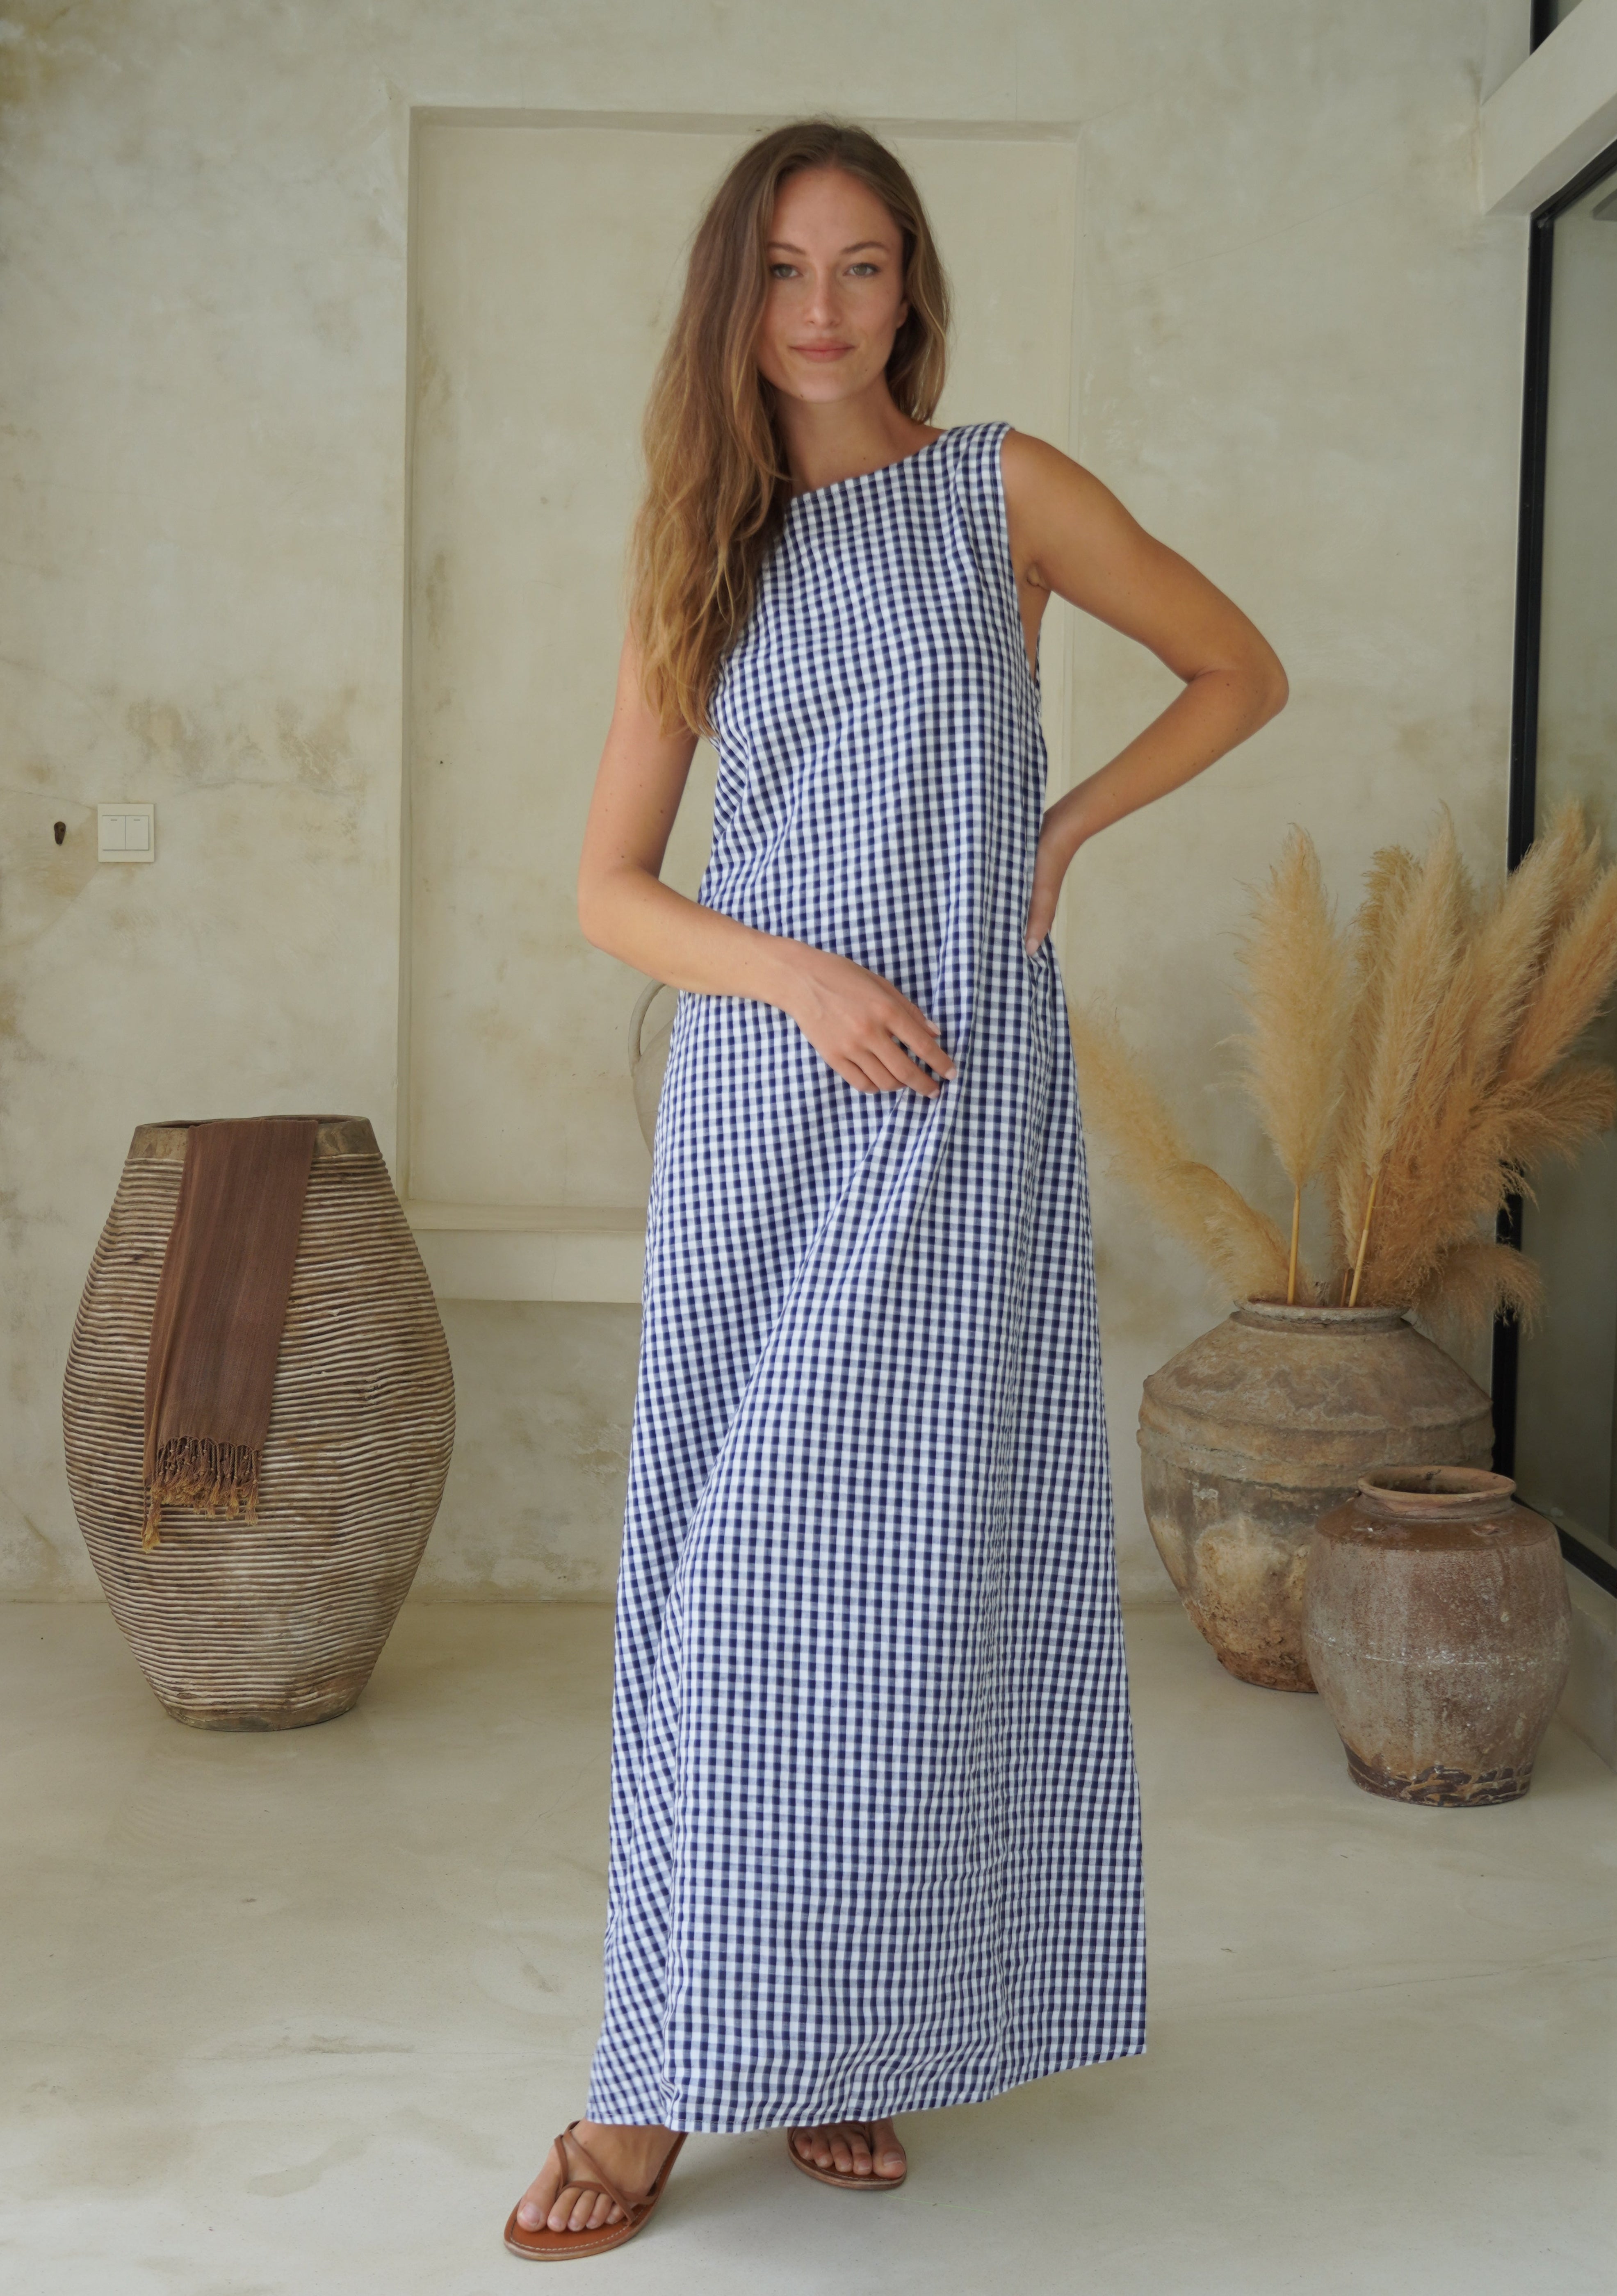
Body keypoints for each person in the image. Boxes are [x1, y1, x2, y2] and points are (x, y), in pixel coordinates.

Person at [506, 117, 1286, 2262]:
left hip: (956, 1111)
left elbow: (1240, 666)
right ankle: (672, 2063)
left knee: (903, 1582)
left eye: (862, 266)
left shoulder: (1000, 493)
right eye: (785, 270)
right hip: (764, 1115)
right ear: (733, 301)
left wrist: (1063, 828)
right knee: (727, 1581)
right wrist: (796, 976)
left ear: (912, 288)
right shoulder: (706, 546)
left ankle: (832, 2030)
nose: (825, 309)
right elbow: (608, 891)